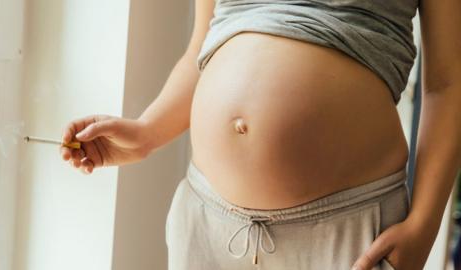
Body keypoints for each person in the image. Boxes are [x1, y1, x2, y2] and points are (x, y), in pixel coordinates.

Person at [59, 0, 461, 269]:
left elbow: (447, 83)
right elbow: (203, 47)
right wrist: (147, 131)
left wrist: (424, 224)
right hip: (209, 226)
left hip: (350, 233)